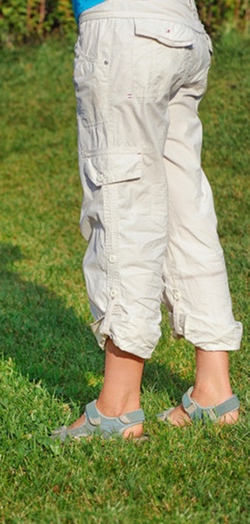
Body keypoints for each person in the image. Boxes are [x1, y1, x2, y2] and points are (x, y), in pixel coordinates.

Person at [53, 0, 242, 440]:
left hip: (125, 29)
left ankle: (117, 407)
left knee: (123, 207)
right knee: (184, 207)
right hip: (182, 27)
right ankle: (214, 390)